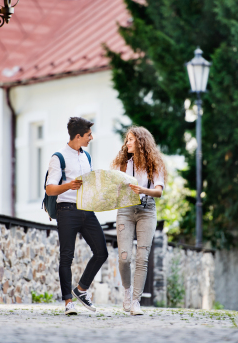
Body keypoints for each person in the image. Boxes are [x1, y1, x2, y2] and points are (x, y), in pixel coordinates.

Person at [45, 117, 108, 315]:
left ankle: (81, 289)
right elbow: (50, 189)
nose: (92, 138)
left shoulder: (86, 157)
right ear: (78, 136)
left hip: (87, 210)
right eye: (89, 135)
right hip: (67, 211)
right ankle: (68, 302)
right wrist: (68, 186)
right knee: (66, 257)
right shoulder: (58, 157)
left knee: (101, 252)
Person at [111, 126, 166, 316]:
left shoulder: (154, 164)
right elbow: (115, 188)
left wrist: (142, 190)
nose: (127, 143)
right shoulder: (124, 164)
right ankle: (127, 291)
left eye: (131, 140)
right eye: (127, 140)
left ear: (141, 142)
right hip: (126, 210)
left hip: (147, 210)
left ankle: (135, 301)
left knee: (142, 257)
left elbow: (158, 191)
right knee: (124, 257)